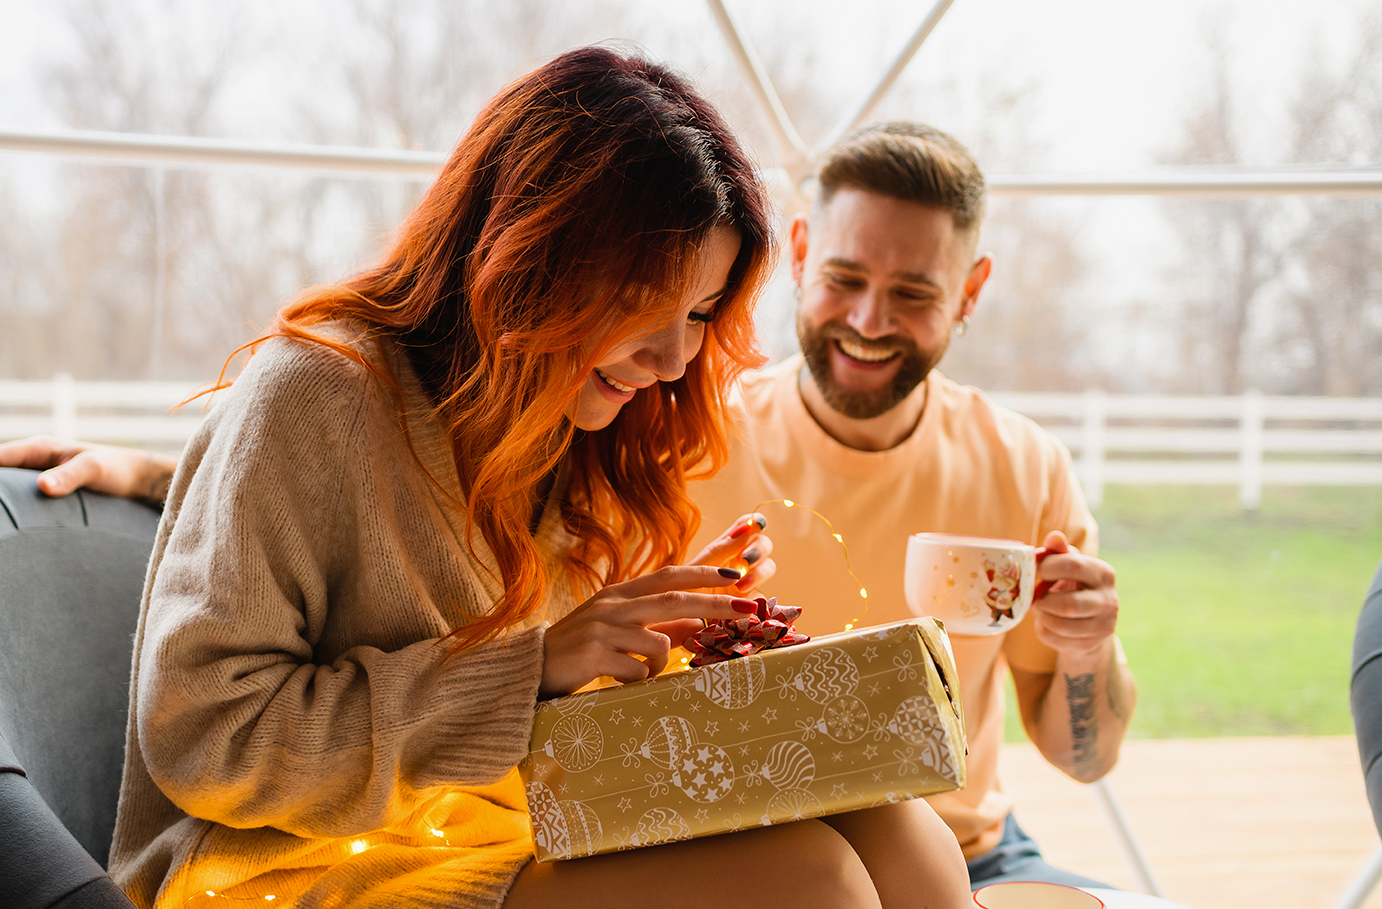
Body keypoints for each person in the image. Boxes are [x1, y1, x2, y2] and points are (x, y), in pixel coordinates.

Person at [0, 122, 1128, 891]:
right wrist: (183, 473)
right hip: (299, 864)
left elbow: (1077, 744)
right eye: (650, 302)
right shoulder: (323, 393)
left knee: (912, 844)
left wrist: (669, 662)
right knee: (814, 885)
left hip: (500, 807)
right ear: (536, 251)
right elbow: (208, 733)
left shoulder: (585, 421)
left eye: (698, 314)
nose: (674, 353)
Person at [685, 122, 1135, 890]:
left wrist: (1089, 648)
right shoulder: (685, 442)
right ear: (798, 253)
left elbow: (1081, 757)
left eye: (914, 293)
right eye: (844, 278)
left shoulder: (1023, 467)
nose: (868, 321)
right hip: (752, 857)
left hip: (971, 856)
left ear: (970, 291)